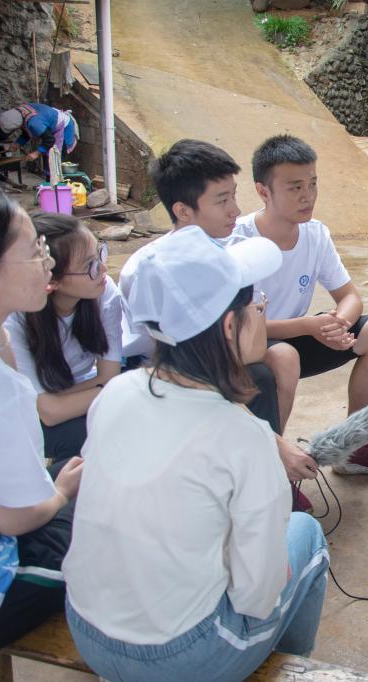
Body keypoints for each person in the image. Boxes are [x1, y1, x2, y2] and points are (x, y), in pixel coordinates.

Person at [63, 227, 330, 682]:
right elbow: (257, 597)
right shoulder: (245, 436)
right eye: (255, 306)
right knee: (306, 534)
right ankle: (285, 667)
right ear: (229, 327)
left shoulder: (115, 393)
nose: (260, 312)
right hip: (180, 658)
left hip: (87, 630)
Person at [118, 139, 318, 491]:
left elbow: (242, 351)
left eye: (234, 196)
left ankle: (263, 475)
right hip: (158, 371)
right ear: (183, 210)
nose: (235, 210)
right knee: (248, 383)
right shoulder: (150, 270)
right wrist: (273, 443)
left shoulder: (233, 253)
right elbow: (186, 369)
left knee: (263, 373)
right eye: (222, 200)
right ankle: (258, 480)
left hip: (202, 365)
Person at [230, 134, 368, 476]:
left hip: (296, 337)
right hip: (248, 346)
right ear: (263, 191)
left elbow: (350, 296)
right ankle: (273, 469)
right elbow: (239, 325)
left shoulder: (315, 234)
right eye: (295, 187)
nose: (308, 195)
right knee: (284, 357)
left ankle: (355, 449)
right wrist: (308, 326)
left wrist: (338, 325)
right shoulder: (239, 241)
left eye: (313, 184)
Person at [0, 188, 83, 657]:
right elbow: (13, 518)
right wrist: (61, 492)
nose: (48, 263)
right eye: (36, 251)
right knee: (93, 507)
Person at [4, 212, 122, 462]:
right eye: (89, 266)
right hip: (26, 414)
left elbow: (109, 376)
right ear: (52, 279)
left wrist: (108, 387)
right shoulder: (15, 318)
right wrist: (113, 389)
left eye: (100, 253)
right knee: (87, 435)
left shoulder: (103, 293)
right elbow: (48, 413)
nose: (103, 269)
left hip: (72, 392)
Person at [0, 102, 79, 163]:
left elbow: (50, 140)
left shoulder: (34, 123)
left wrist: (36, 153)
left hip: (64, 126)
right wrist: (18, 143)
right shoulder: (21, 112)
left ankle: (56, 181)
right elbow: (27, 132)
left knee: (55, 161)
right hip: (50, 123)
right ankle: (49, 179)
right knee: (48, 159)